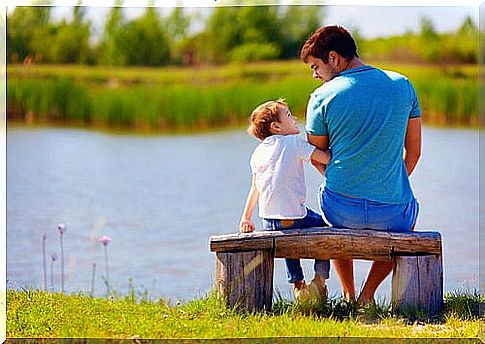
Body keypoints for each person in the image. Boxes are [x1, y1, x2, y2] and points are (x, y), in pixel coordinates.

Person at [300, 25, 422, 305]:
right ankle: (367, 297)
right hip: (393, 214)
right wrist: (389, 184)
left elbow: (315, 153)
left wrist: (344, 180)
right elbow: (413, 152)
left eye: (316, 66)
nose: (315, 75)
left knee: (331, 219)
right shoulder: (402, 85)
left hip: (341, 209)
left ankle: (348, 295)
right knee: (410, 221)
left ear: (334, 58)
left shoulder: (321, 97)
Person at [239, 98, 332, 303]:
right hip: (294, 217)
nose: (295, 118)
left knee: (287, 235)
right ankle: (320, 280)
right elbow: (326, 158)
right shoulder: (293, 143)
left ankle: (298, 285)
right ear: (276, 126)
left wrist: (246, 218)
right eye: (289, 115)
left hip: (268, 221)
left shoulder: (257, 153)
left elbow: (255, 188)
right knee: (326, 227)